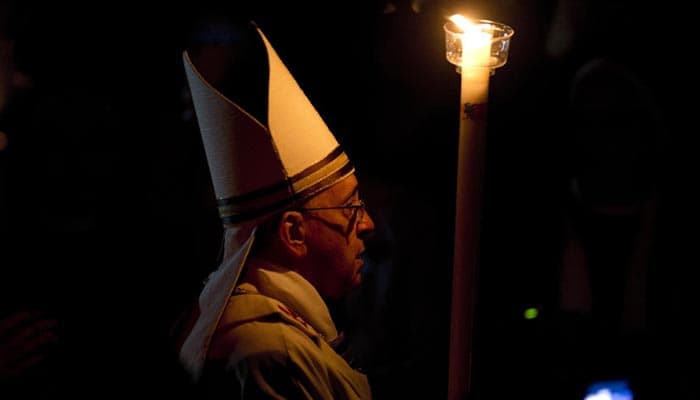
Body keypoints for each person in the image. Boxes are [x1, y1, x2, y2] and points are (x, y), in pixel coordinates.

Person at [173, 22, 376, 399]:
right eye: (351, 206)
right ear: (294, 232)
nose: (367, 224)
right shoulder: (266, 348)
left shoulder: (287, 331)